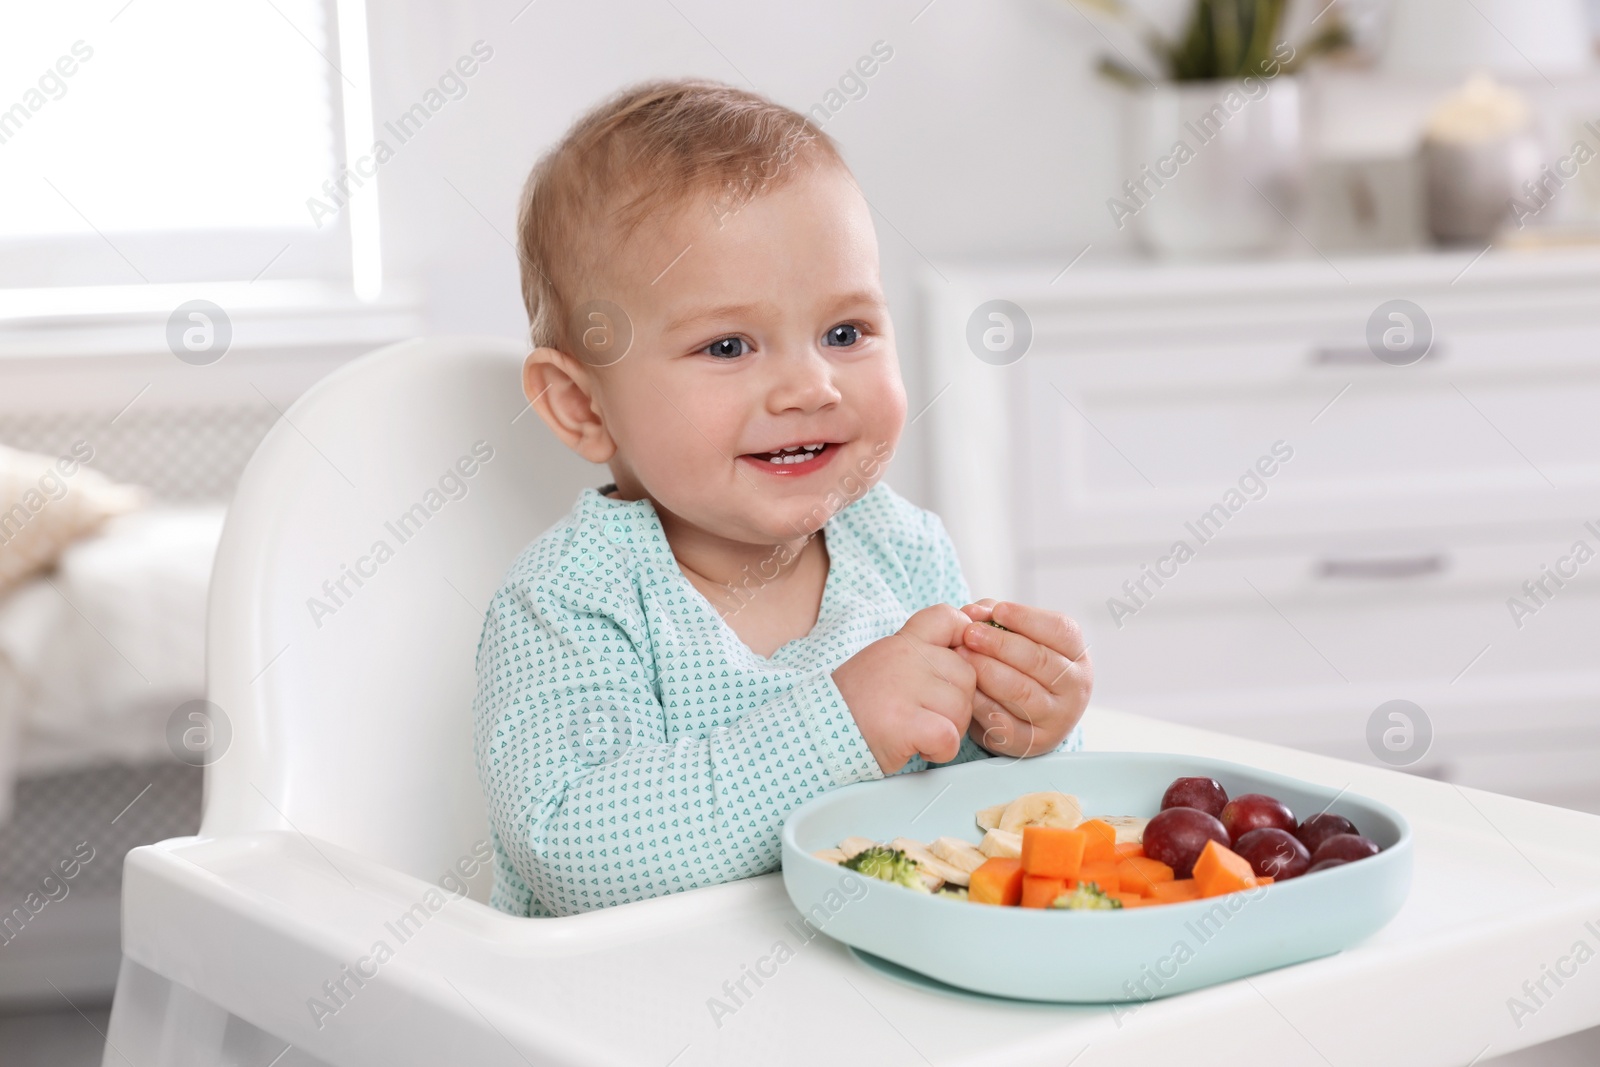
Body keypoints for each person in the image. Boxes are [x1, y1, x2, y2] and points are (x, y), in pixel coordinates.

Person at [474, 79, 1091, 917]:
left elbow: (970, 828)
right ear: (584, 406)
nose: (812, 385)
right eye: (729, 345)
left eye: (846, 333)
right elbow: (569, 846)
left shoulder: (902, 550)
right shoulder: (575, 599)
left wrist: (1028, 732)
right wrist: (842, 726)